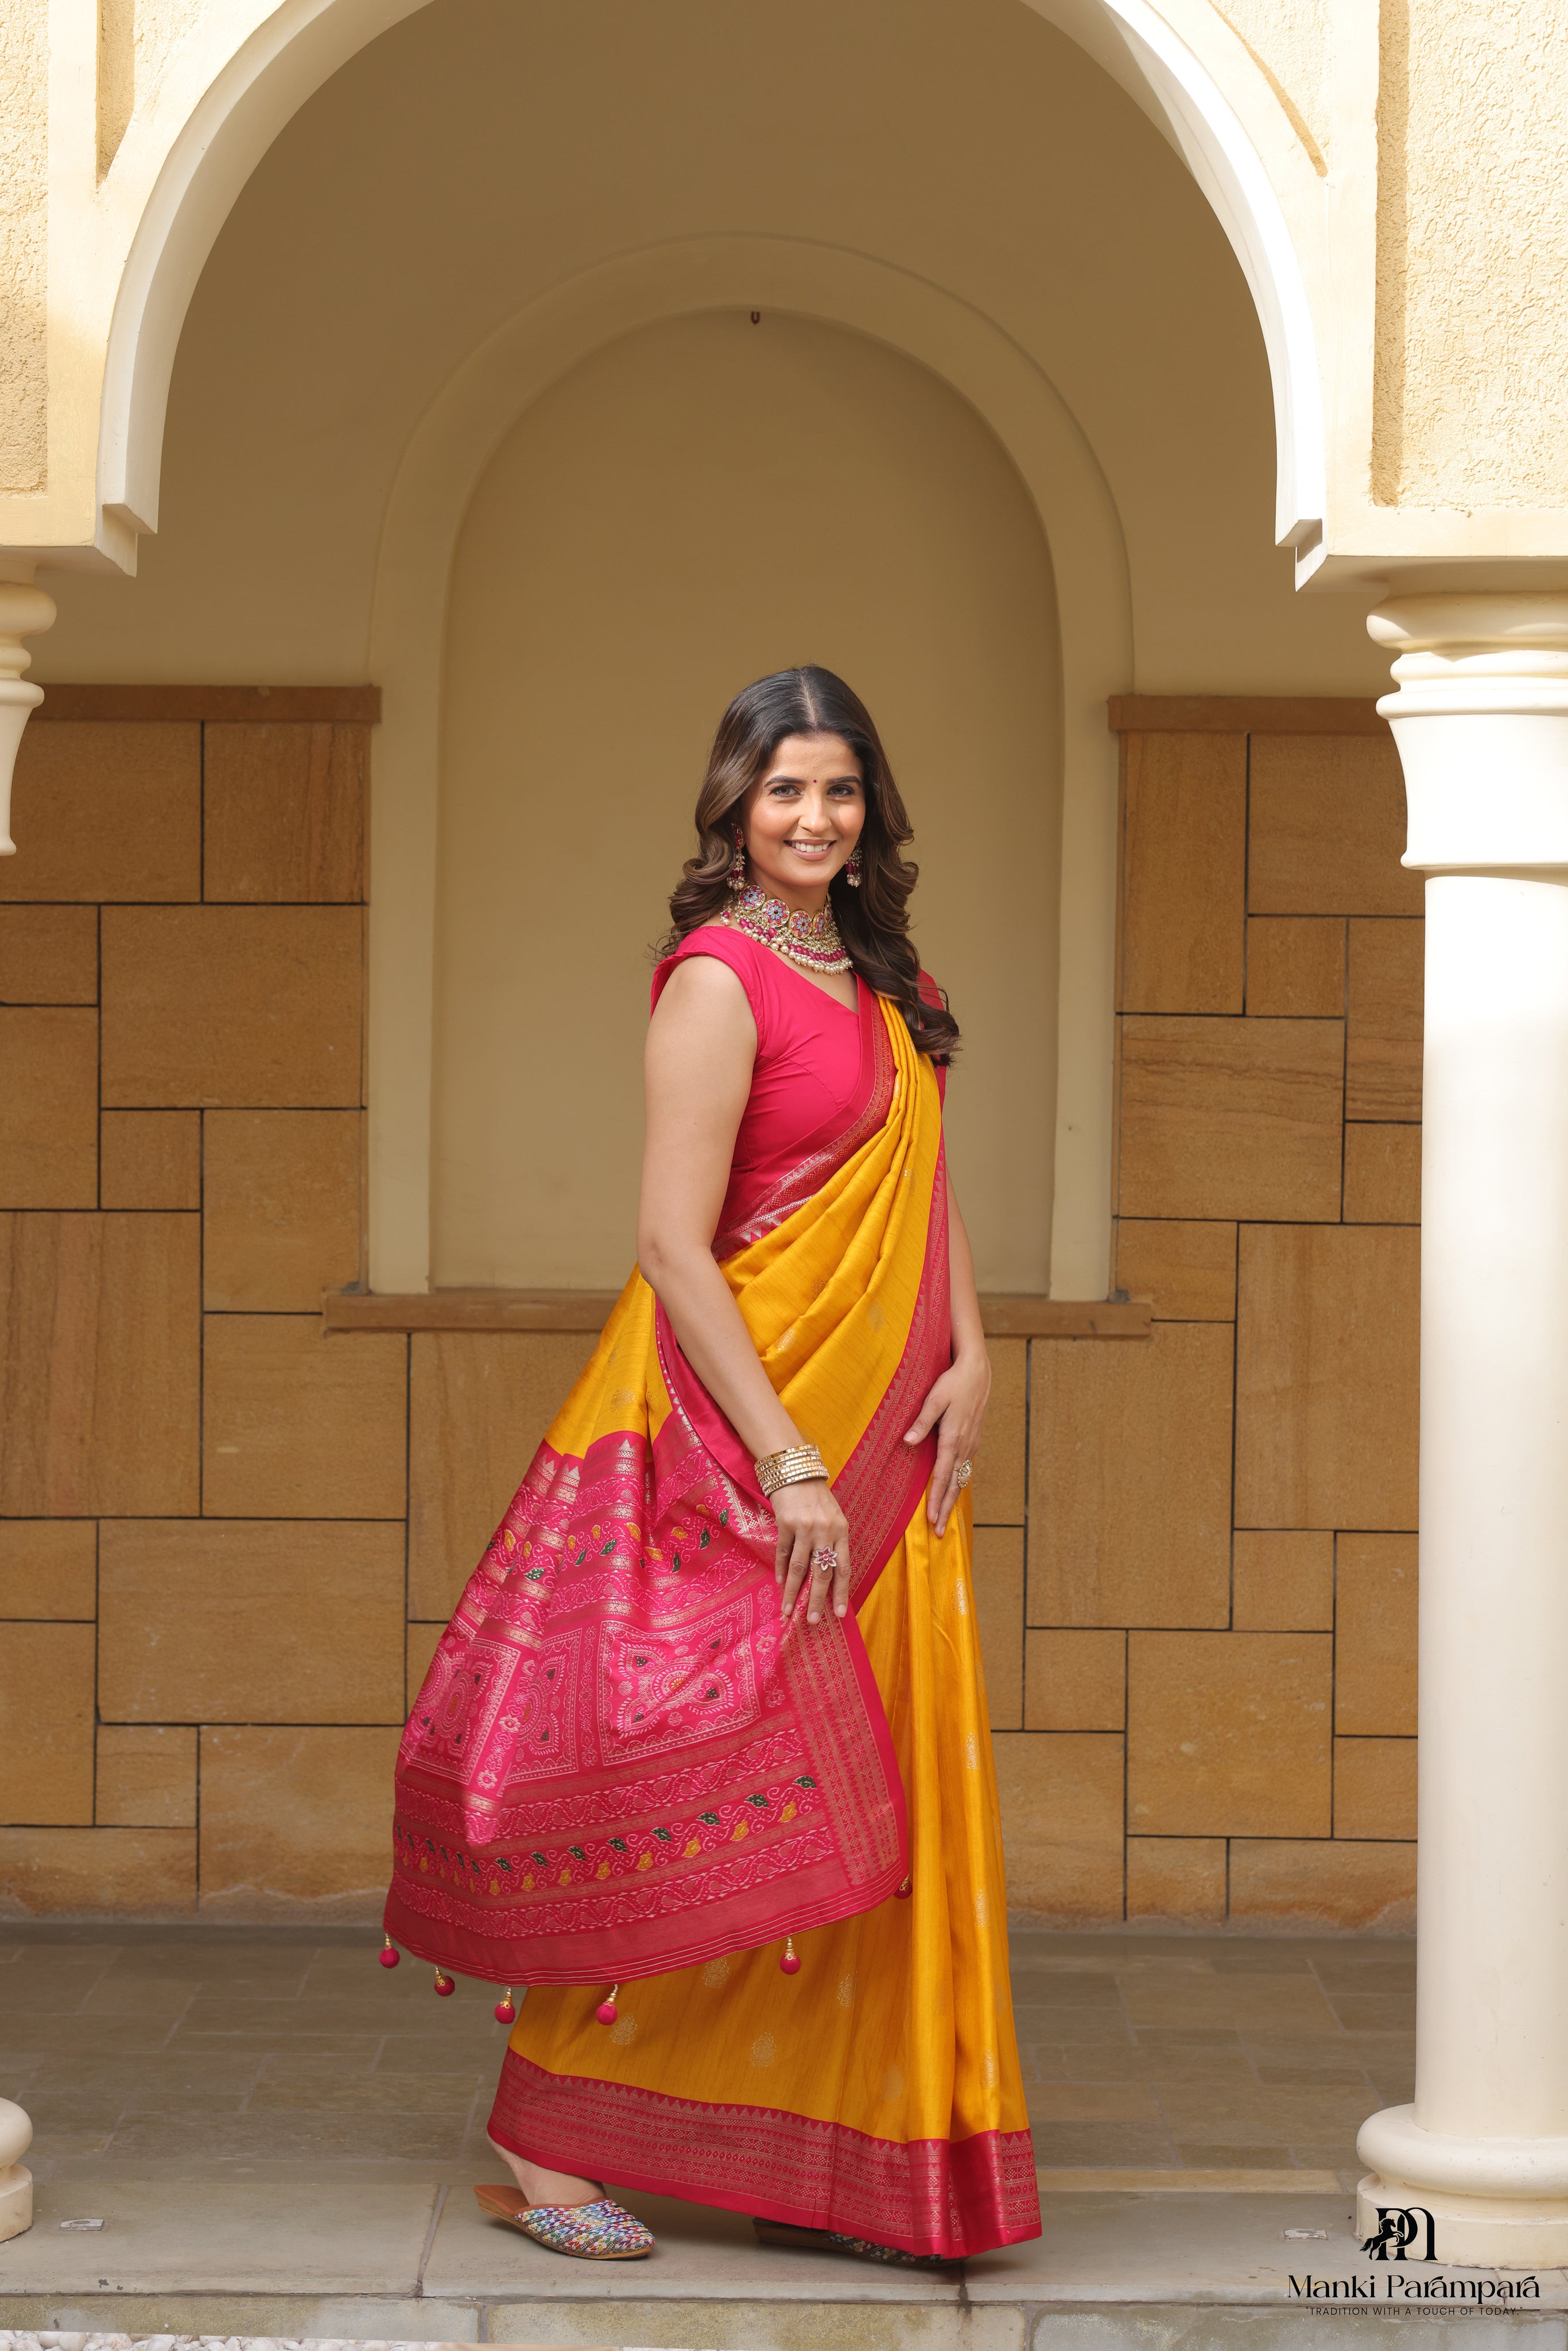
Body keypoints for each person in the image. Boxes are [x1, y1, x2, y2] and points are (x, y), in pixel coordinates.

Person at [383, 666, 1040, 2266]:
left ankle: (843, 2154)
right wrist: (787, 1462)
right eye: (784, 790)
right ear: (735, 806)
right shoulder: (717, 980)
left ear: (872, 804)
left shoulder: (890, 973)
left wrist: (973, 1351)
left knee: (873, 1792)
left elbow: (924, 1183)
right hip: (764, 1434)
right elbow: (673, 1246)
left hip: (899, 1428)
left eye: (839, 789)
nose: (815, 818)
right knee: (724, 1780)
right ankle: (547, 2135)